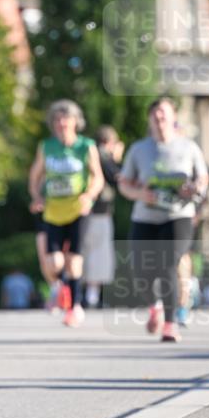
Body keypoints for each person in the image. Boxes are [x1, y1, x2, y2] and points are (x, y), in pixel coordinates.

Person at [118, 97, 209, 343]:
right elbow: (124, 184)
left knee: (169, 262)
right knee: (140, 270)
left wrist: (194, 189)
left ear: (173, 118)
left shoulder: (188, 148)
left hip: (178, 216)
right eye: (155, 117)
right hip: (145, 217)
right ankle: (153, 307)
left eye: (164, 115)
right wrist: (140, 194)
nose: (159, 121)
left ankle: (170, 324)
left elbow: (203, 178)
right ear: (150, 120)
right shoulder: (139, 149)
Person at [28, 100, 104, 327]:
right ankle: (62, 289)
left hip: (78, 209)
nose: (61, 123)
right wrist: (36, 196)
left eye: (66, 118)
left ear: (75, 121)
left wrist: (89, 195)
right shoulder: (46, 146)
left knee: (74, 261)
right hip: (53, 210)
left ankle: (75, 307)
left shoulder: (86, 146)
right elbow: (35, 176)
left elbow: (98, 177)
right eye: (57, 119)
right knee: (54, 262)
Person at [81, 125, 124, 308]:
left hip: (85, 211)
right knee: (97, 254)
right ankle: (91, 296)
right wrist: (117, 157)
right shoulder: (103, 156)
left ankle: (86, 294)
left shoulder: (88, 154)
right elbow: (117, 178)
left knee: (85, 252)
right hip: (98, 213)